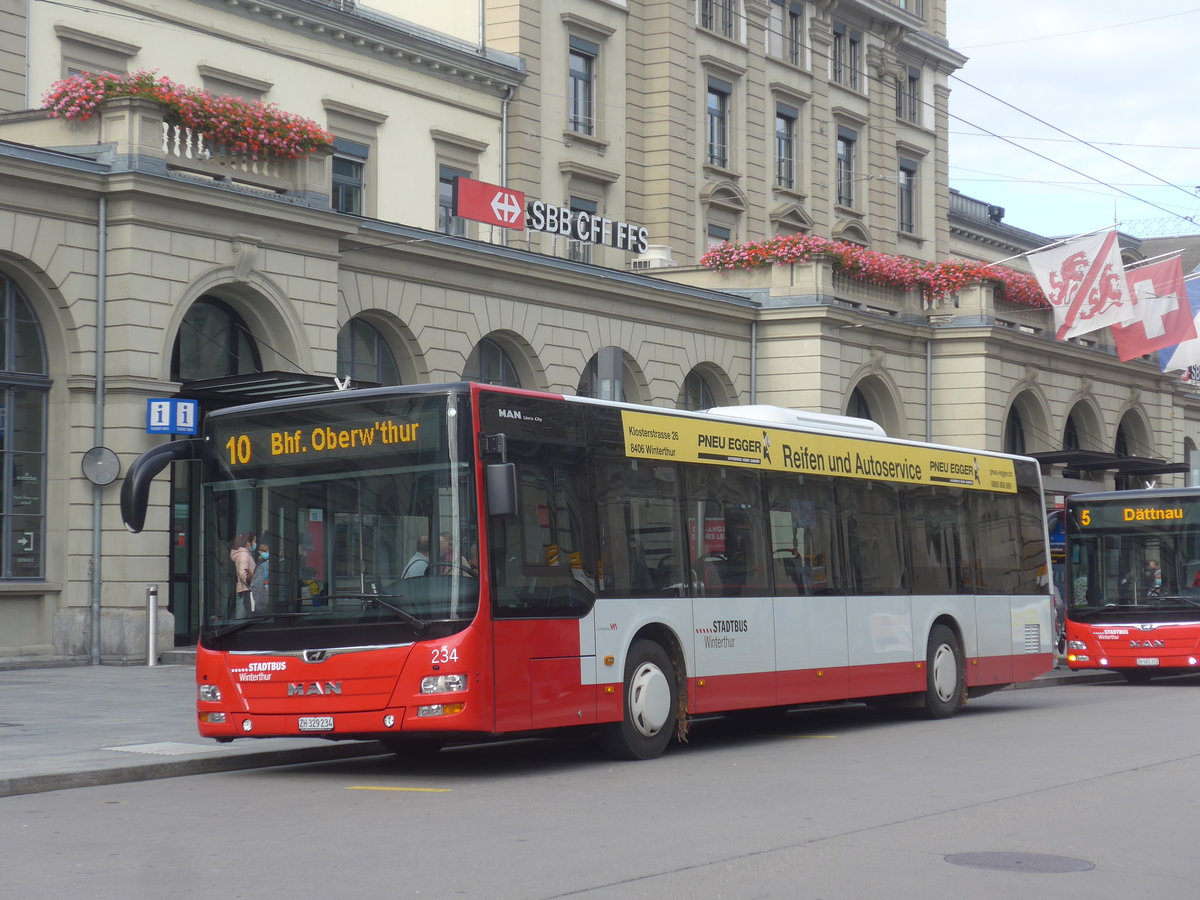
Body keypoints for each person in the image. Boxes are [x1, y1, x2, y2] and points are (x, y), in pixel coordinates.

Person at [230, 531, 257, 616]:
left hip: (247, 589)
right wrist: (250, 579)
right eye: (254, 541)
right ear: (248, 543)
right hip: (247, 590)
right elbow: (243, 573)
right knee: (249, 614)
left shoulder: (245, 554)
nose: (255, 544)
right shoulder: (243, 555)